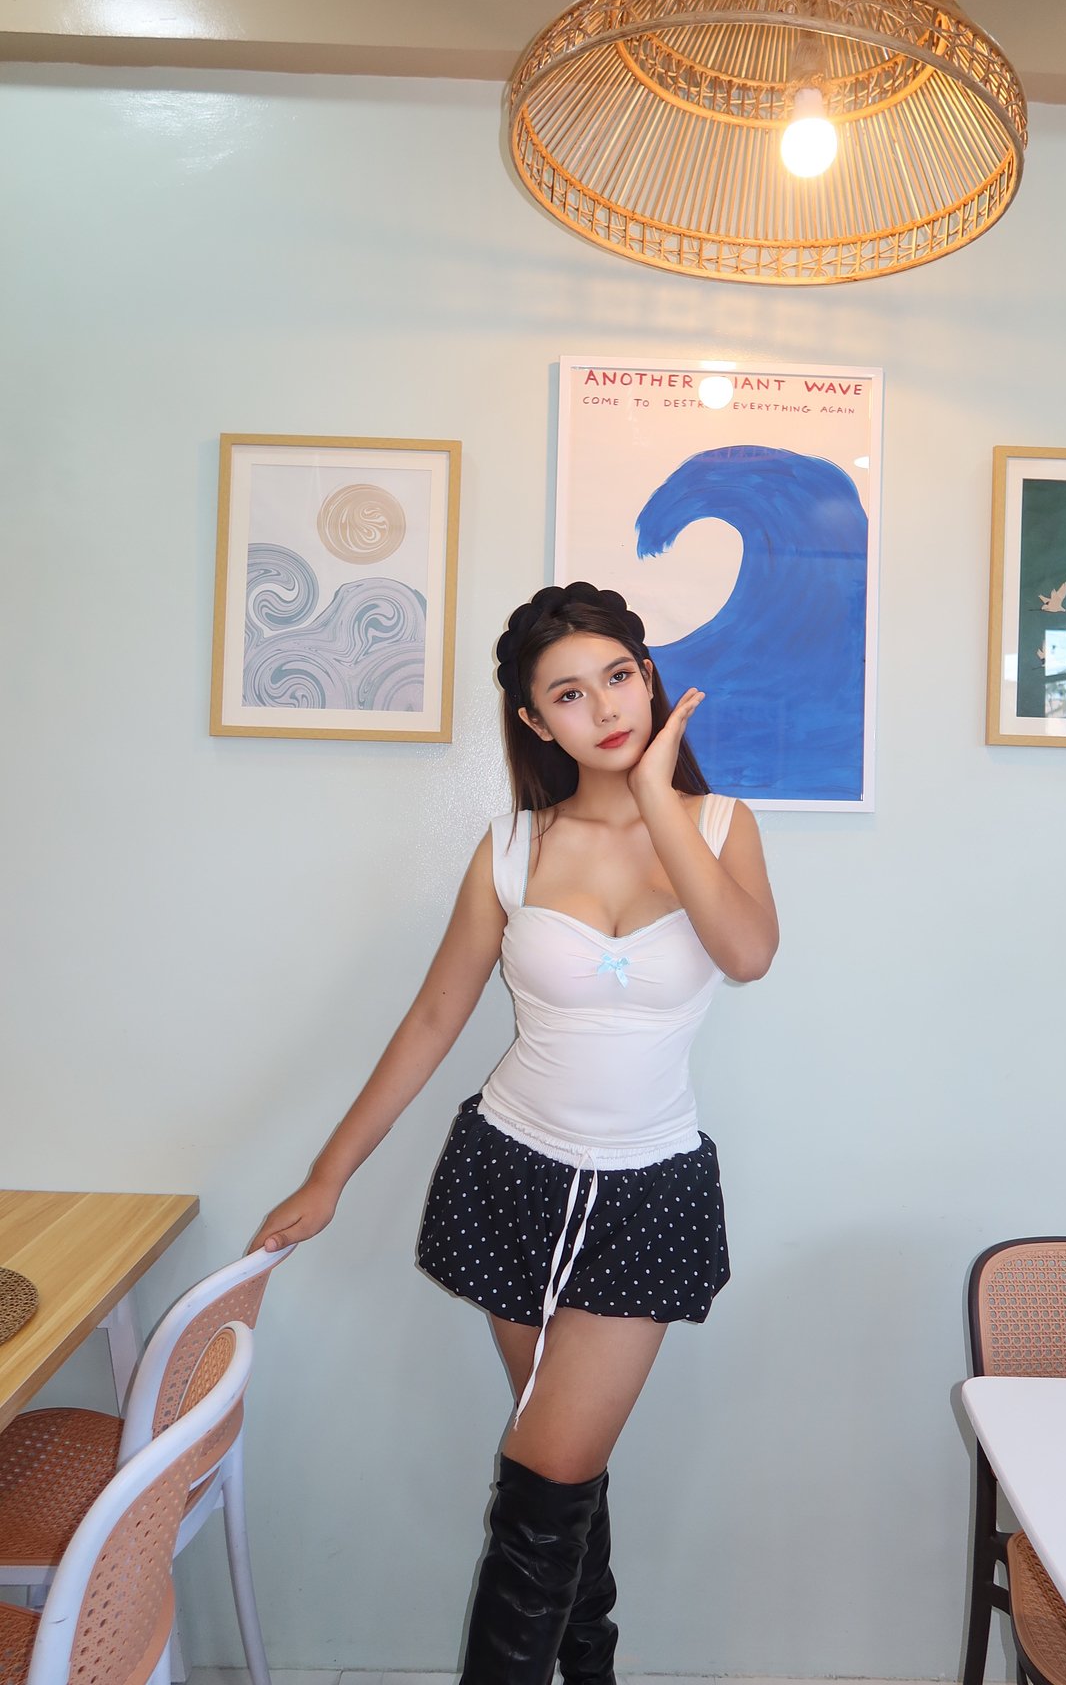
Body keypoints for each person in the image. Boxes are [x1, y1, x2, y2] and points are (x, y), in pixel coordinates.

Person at [252, 580, 778, 1685]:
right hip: (508, 1176)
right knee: (561, 1472)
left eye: (618, 677)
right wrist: (329, 1175)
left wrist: (657, 795)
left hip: (649, 1195)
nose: (606, 707)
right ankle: (589, 1671)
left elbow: (747, 953)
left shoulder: (722, 826)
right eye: (570, 695)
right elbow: (433, 1019)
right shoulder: (510, 846)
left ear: (650, 679)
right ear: (537, 722)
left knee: (548, 1477)